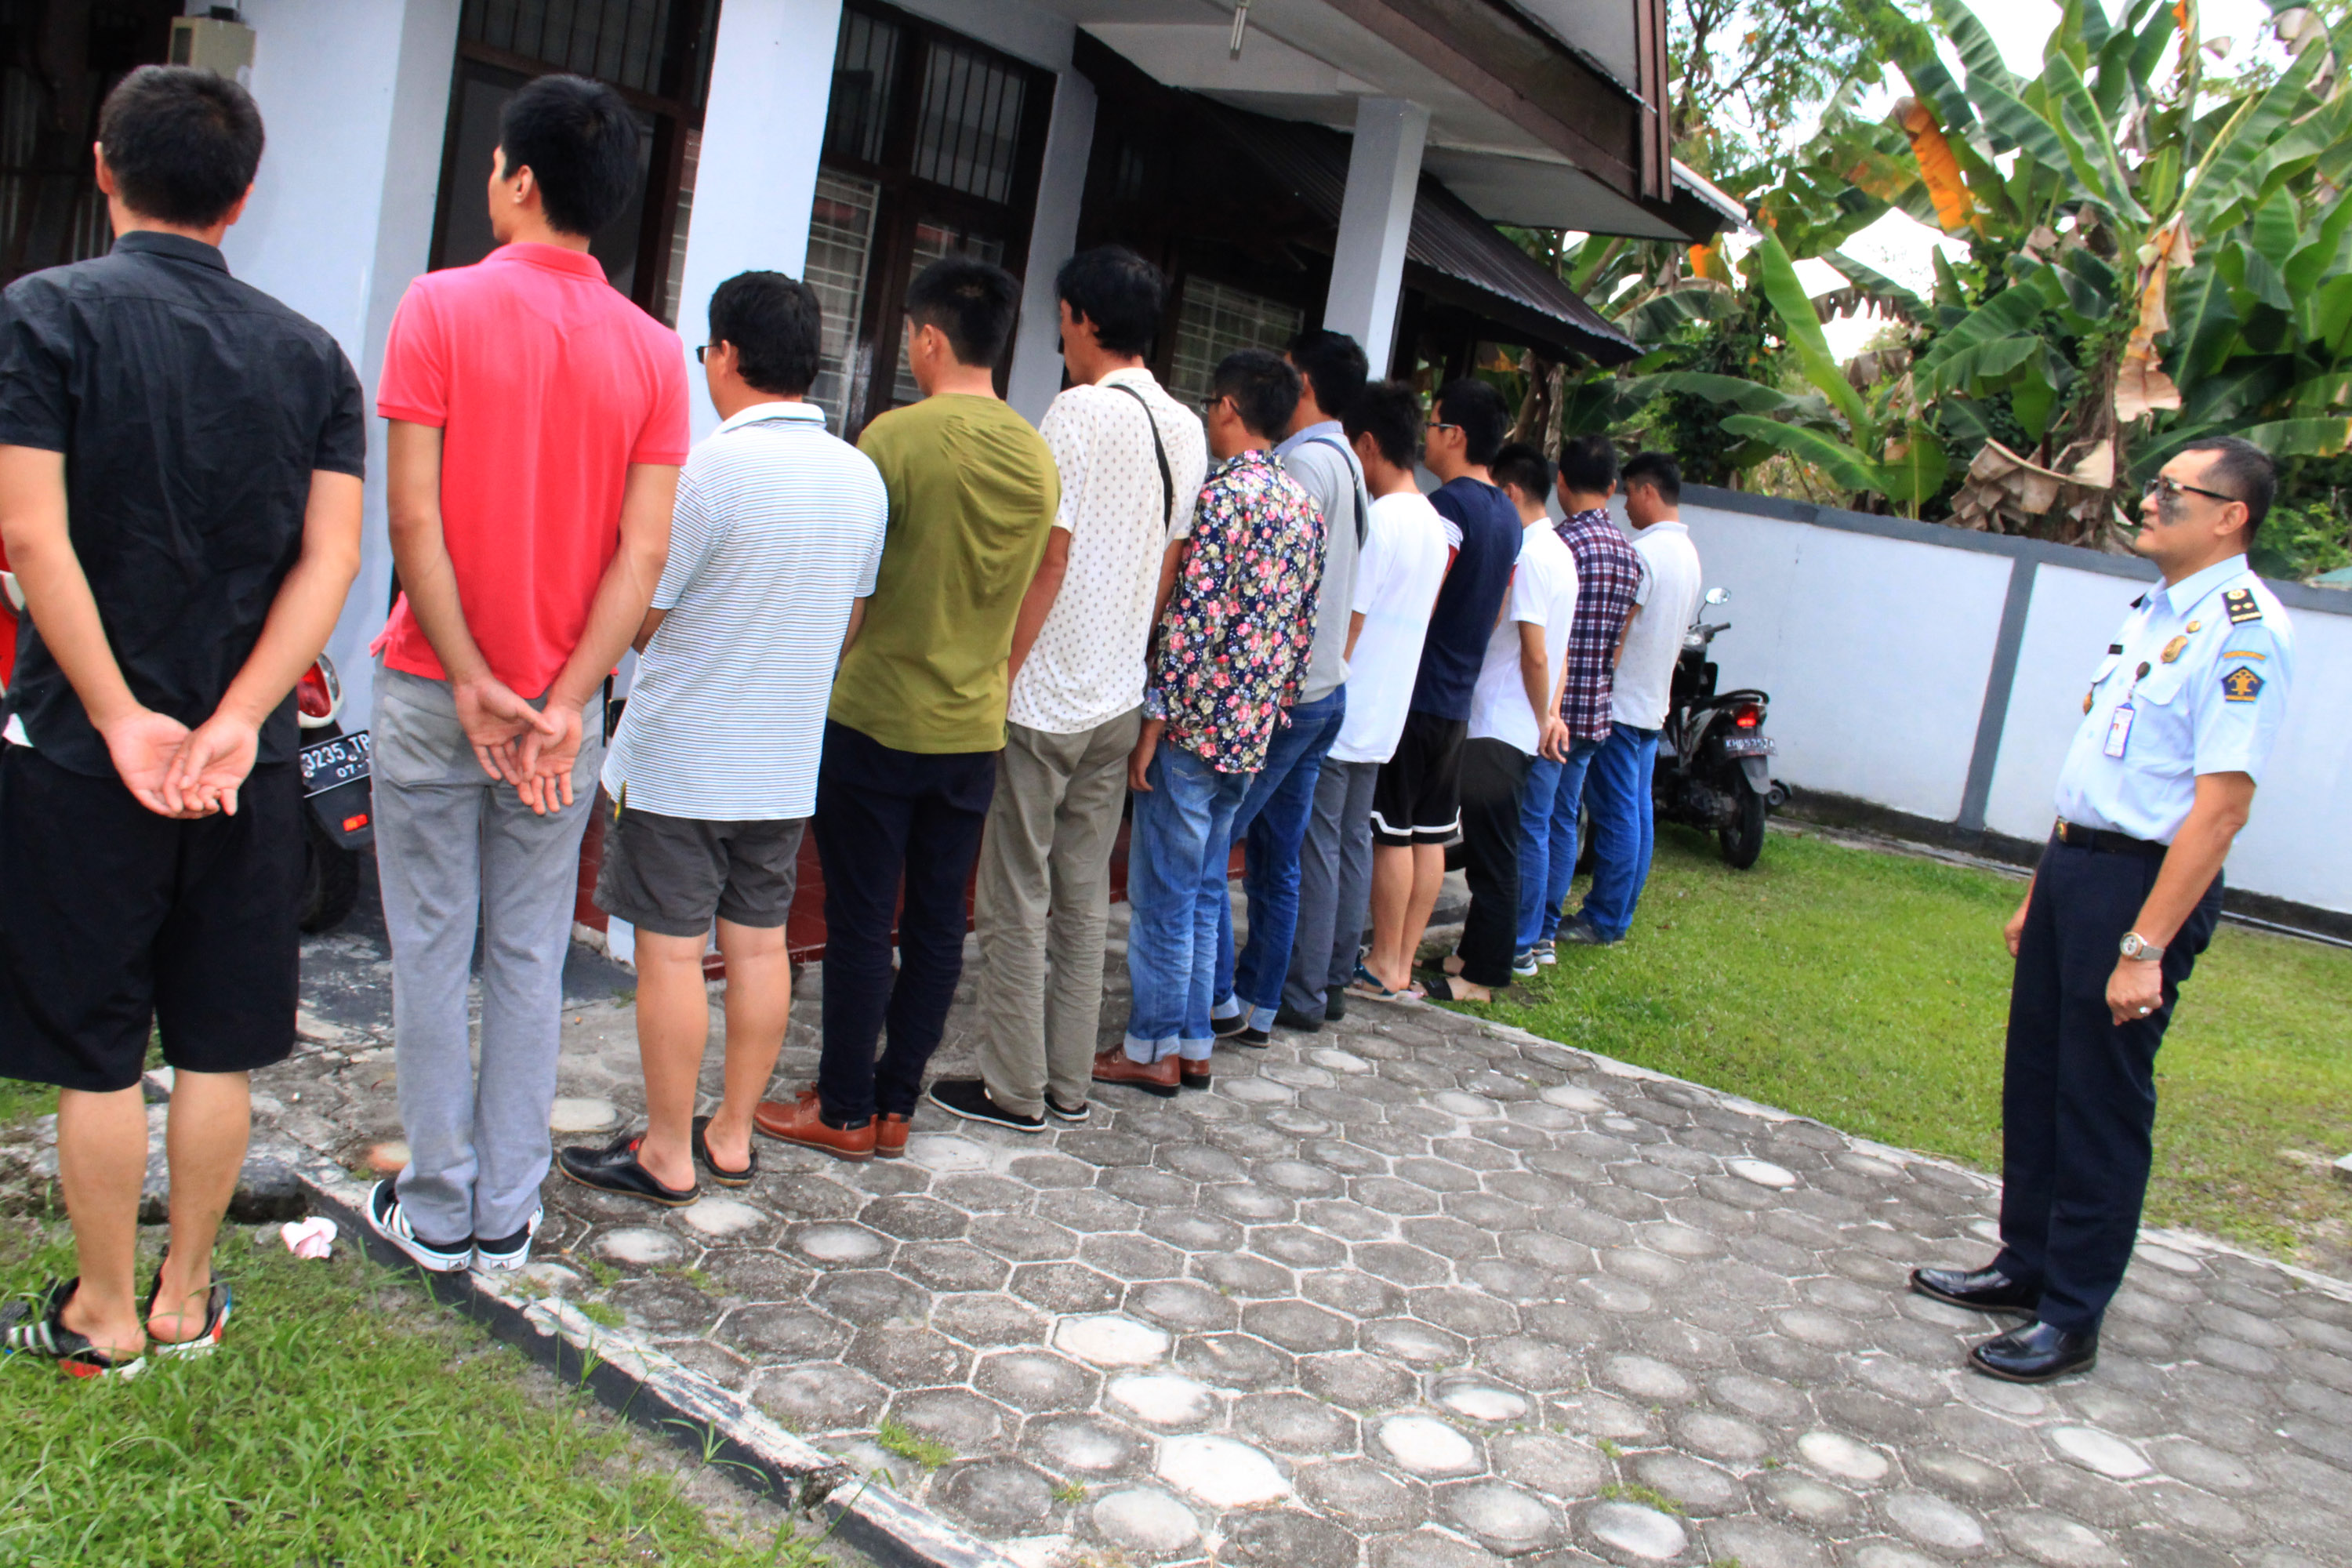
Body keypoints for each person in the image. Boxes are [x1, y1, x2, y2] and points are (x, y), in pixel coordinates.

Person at [0, 67, 364, 1374]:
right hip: (241, 764)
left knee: (96, 1050)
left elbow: (29, 535)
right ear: (243, 195)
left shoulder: (42, 316)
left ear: (104, 168)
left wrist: (117, 716)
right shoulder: (314, 357)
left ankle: (102, 1315)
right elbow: (331, 560)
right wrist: (240, 717)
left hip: (79, 754)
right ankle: (186, 1298)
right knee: (217, 1042)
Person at [368, 74, 689, 1272]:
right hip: (561, 717)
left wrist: (467, 677)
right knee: (526, 957)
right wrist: (564, 700)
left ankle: (438, 1206)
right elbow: (642, 554)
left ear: (519, 180)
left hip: (432, 689)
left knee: (429, 949)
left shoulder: (437, 307)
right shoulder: (654, 352)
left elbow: (414, 519)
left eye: (497, 164)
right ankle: (505, 1211)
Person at [1912, 437, 2293, 1384]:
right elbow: (2101, 769)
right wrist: (2040, 887)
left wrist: (2144, 944)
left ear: (2231, 516)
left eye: (2173, 491)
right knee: (2039, 1076)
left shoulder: (2244, 631)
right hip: (2078, 868)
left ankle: (2071, 1312)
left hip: (2141, 887)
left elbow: (2220, 811)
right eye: (2155, 486)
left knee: (2100, 1098)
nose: (2150, 501)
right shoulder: (2155, 611)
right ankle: (2025, 1261)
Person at [558, 273, 886, 1204]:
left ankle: (666, 1149)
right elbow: (849, 618)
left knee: (670, 952)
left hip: (683, 759)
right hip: (783, 761)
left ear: (727, 355)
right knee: (760, 946)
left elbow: (645, 615)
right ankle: (732, 1134)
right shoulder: (860, 478)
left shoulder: (704, 471)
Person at [756, 256, 1056, 1160]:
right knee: (934, 924)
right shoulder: (1037, 458)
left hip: (875, 716)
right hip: (972, 728)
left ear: (929, 338)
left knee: (859, 920)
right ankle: (895, 1106)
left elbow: (843, 574)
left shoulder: (895, 438)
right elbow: (1043, 575)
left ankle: (843, 1107)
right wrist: (998, 670)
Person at [931, 247, 1205, 1133]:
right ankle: (1068, 1084)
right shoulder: (1186, 428)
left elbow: (1049, 556)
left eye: (1061, 318)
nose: (1059, 335)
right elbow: (1168, 566)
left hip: (1047, 693)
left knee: (1017, 892)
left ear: (1084, 319)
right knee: (1085, 898)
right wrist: (1126, 651)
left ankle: (1013, 1090)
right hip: (1118, 695)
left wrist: (1002, 671)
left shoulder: (1079, 411)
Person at [1095, 350, 1321, 1094]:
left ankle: (1153, 1047)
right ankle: (1191, 1042)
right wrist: (1269, 713)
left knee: (1164, 897)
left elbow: (1191, 621)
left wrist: (1153, 722)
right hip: (1251, 732)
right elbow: (1301, 631)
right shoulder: (1302, 508)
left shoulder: (1222, 499)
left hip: (1192, 728)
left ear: (1227, 408)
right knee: (1199, 891)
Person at [1208, 328, 1370, 1044]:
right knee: (1278, 859)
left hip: (1288, 695)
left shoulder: (1302, 464)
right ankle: (1260, 1004)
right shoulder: (1349, 460)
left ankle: (1215, 1001)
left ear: (1302, 382)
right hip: (1325, 688)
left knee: (1214, 844)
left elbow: (1270, 584)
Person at [1282, 383, 1449, 1030]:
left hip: (1347, 706)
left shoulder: (1380, 521)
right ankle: (1333, 979)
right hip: (1386, 713)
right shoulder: (1433, 523)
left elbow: (1347, 624)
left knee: (1320, 848)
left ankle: (1307, 985)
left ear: (1369, 445)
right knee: (1352, 843)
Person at [1353, 378, 1519, 1001]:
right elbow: (1498, 606)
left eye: (1434, 424)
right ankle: (1399, 962)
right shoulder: (1507, 512)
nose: (1426, 436)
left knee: (1392, 833)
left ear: (1456, 436)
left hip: (1417, 690)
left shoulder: (1448, 507)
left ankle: (1384, 962)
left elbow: (1429, 587)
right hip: (1458, 698)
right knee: (1429, 836)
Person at [1428, 443, 1576, 1000]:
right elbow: (1560, 653)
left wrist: (1543, 718)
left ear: (1511, 492)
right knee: (1493, 848)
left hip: (1502, 721)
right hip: (1518, 722)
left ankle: (1483, 977)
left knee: (1494, 857)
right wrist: (1550, 715)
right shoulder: (1560, 553)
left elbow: (1537, 653)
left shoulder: (1532, 556)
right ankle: (1470, 954)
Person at [1558, 450, 1700, 947]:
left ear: (1648, 491)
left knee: (1616, 815)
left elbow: (1618, 631)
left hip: (1619, 702)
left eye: (1631, 495)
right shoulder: (1688, 554)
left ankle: (1604, 918)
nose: (1625, 506)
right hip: (1652, 702)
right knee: (1636, 813)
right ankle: (1617, 914)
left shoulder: (1646, 553)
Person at [1518, 435, 1641, 962]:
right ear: (1612, 488)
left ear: (1561, 482)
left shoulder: (1560, 546)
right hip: (1595, 709)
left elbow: (1543, 641)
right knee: (1562, 820)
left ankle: (1526, 934)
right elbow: (1620, 640)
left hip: (1553, 710)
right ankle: (1546, 930)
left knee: (1533, 822)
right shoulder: (1630, 556)